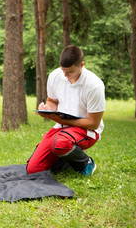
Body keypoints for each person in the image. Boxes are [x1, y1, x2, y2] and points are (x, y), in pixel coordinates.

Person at [26, 45, 105, 176]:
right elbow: (52, 101)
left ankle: (86, 163)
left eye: (70, 72)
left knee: (58, 143)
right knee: (34, 169)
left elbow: (93, 124)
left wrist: (60, 119)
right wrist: (47, 109)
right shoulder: (55, 76)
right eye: (63, 70)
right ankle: (67, 158)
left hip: (87, 131)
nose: (65, 75)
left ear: (82, 65)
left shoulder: (94, 85)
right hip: (61, 129)